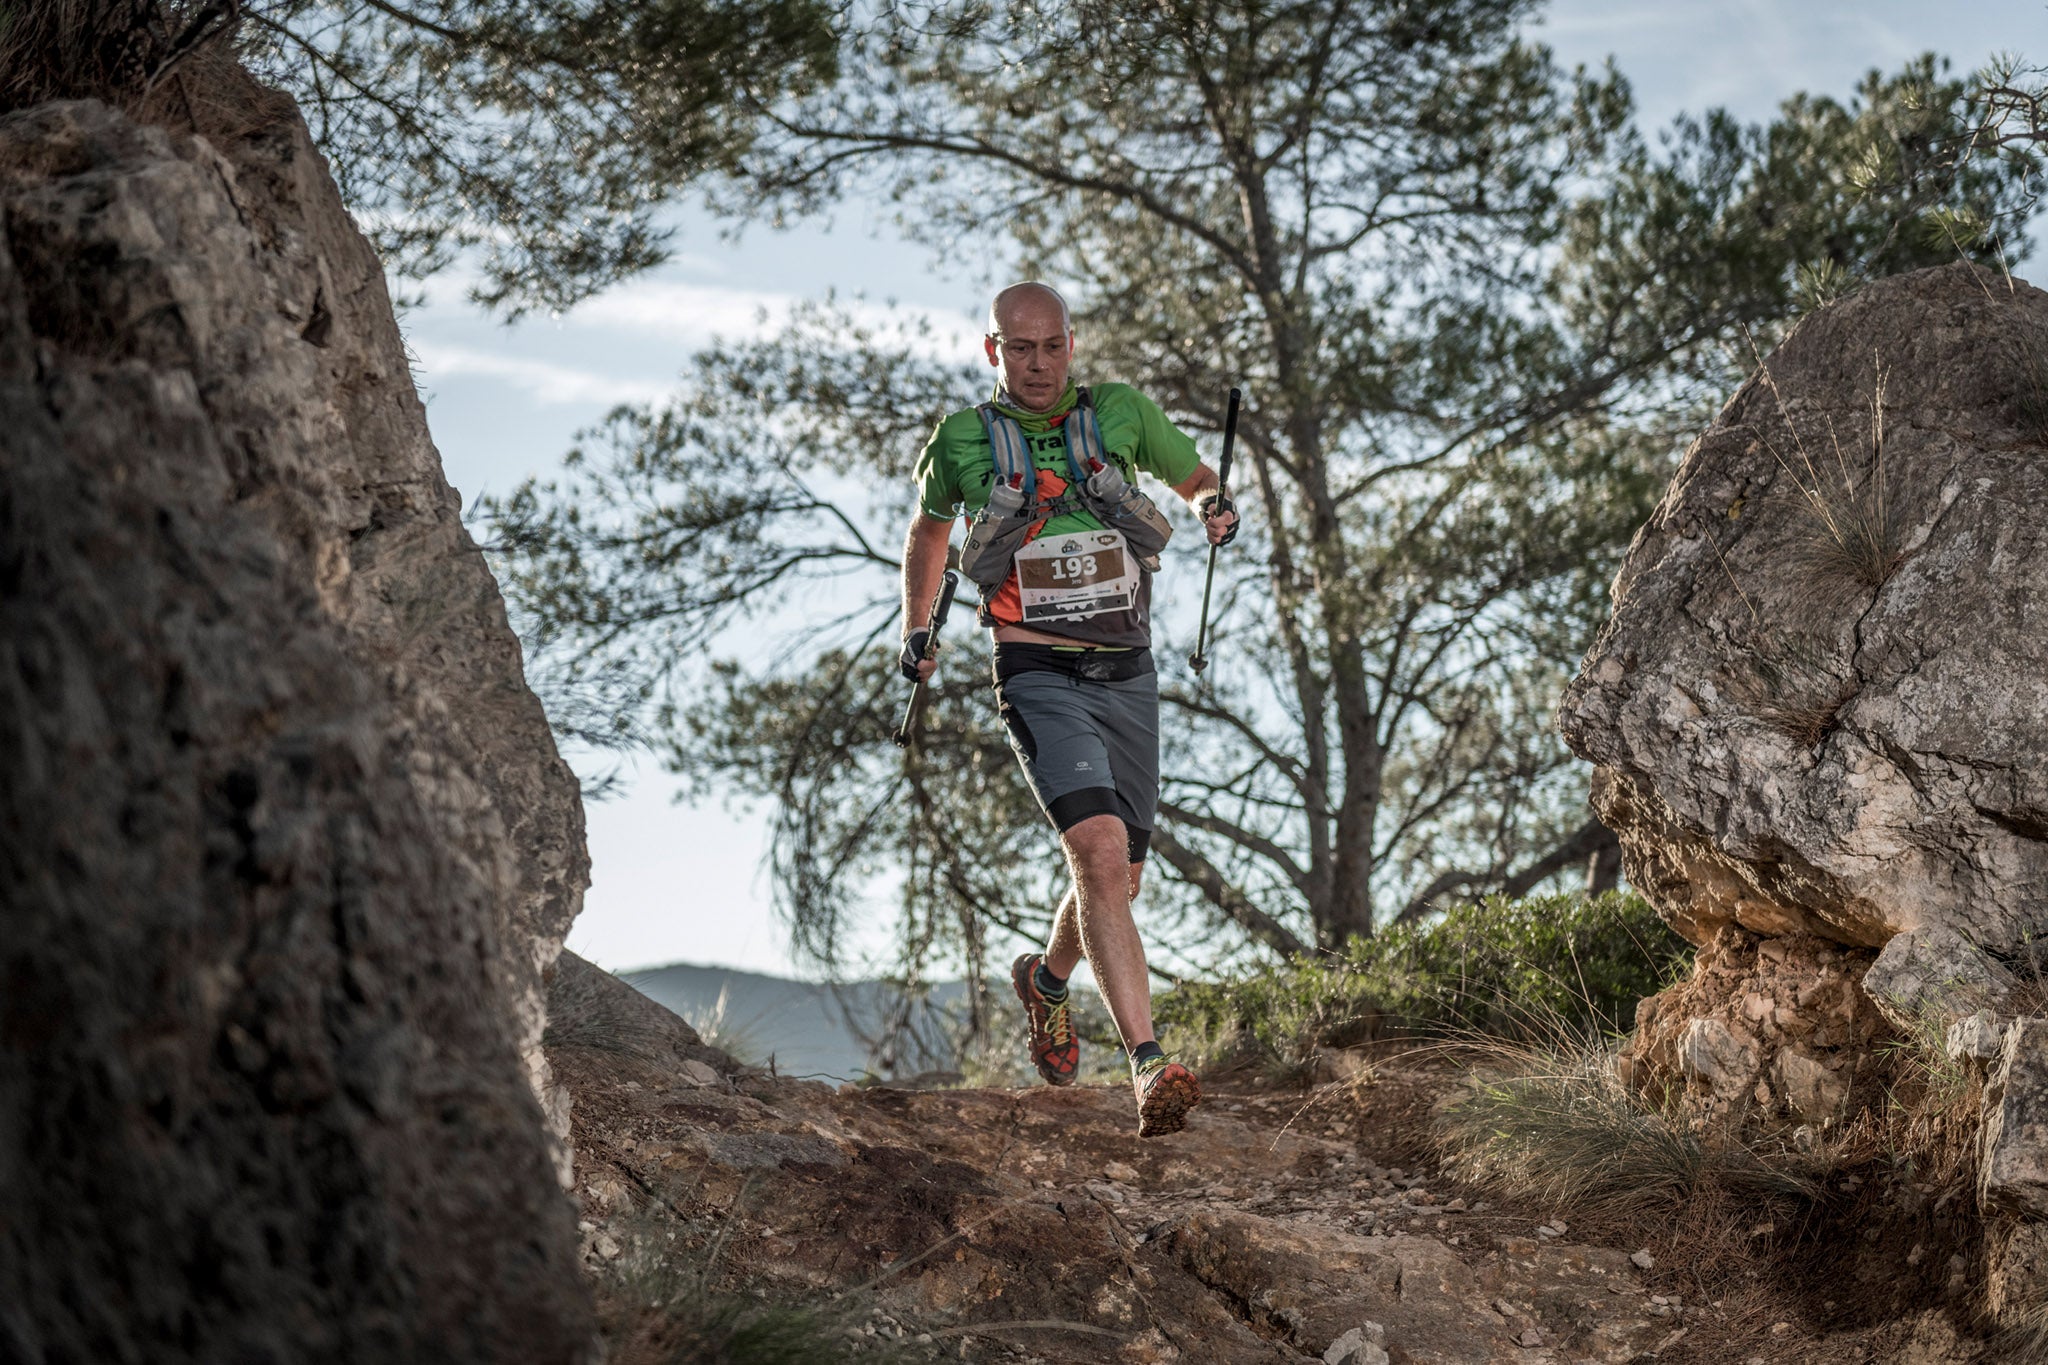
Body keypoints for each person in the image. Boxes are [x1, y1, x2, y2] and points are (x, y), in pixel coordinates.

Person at [897, 281, 1237, 1137]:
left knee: (1120, 878)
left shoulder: (1120, 413)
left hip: (1126, 668)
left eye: (1052, 346)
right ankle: (1149, 1065)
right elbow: (930, 534)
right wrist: (915, 630)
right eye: (1021, 348)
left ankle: (1047, 981)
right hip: (1034, 666)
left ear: (1071, 345)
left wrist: (1211, 506)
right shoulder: (963, 440)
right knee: (1097, 847)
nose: (1038, 363)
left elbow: (1194, 477)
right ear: (993, 352)